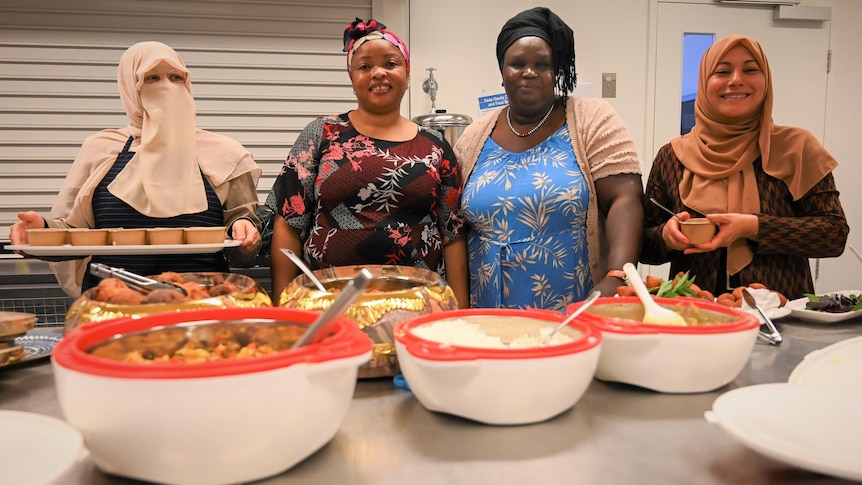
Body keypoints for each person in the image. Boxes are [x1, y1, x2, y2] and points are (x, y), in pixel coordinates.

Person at [9, 41, 263, 297]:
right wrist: (39, 230)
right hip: (112, 304)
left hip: (200, 303)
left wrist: (245, 232)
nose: (166, 86)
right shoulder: (101, 150)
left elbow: (242, 240)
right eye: (152, 78)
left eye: (176, 77)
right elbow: (75, 235)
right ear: (130, 87)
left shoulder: (224, 154)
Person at [268, 18, 469, 307]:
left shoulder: (435, 145)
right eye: (364, 66)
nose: (378, 73)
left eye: (390, 63)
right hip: (327, 304)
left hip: (417, 305)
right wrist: (283, 309)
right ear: (351, 77)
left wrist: (457, 312)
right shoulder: (321, 134)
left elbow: (453, 234)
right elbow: (289, 225)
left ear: (407, 73)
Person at [453, 7, 644, 310]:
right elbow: (455, 227)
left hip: (574, 308)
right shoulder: (473, 137)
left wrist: (617, 275)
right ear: (502, 72)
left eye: (542, 64)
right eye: (517, 64)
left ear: (557, 72)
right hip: (487, 311)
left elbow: (625, 197)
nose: (529, 72)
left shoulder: (593, 119)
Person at [641, 35, 848, 300]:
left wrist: (754, 227)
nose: (736, 79)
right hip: (695, 313)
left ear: (766, 81)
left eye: (750, 70)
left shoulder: (797, 148)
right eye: (722, 71)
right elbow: (644, 247)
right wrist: (666, 237)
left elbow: (834, 235)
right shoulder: (673, 156)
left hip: (782, 315)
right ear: (705, 82)